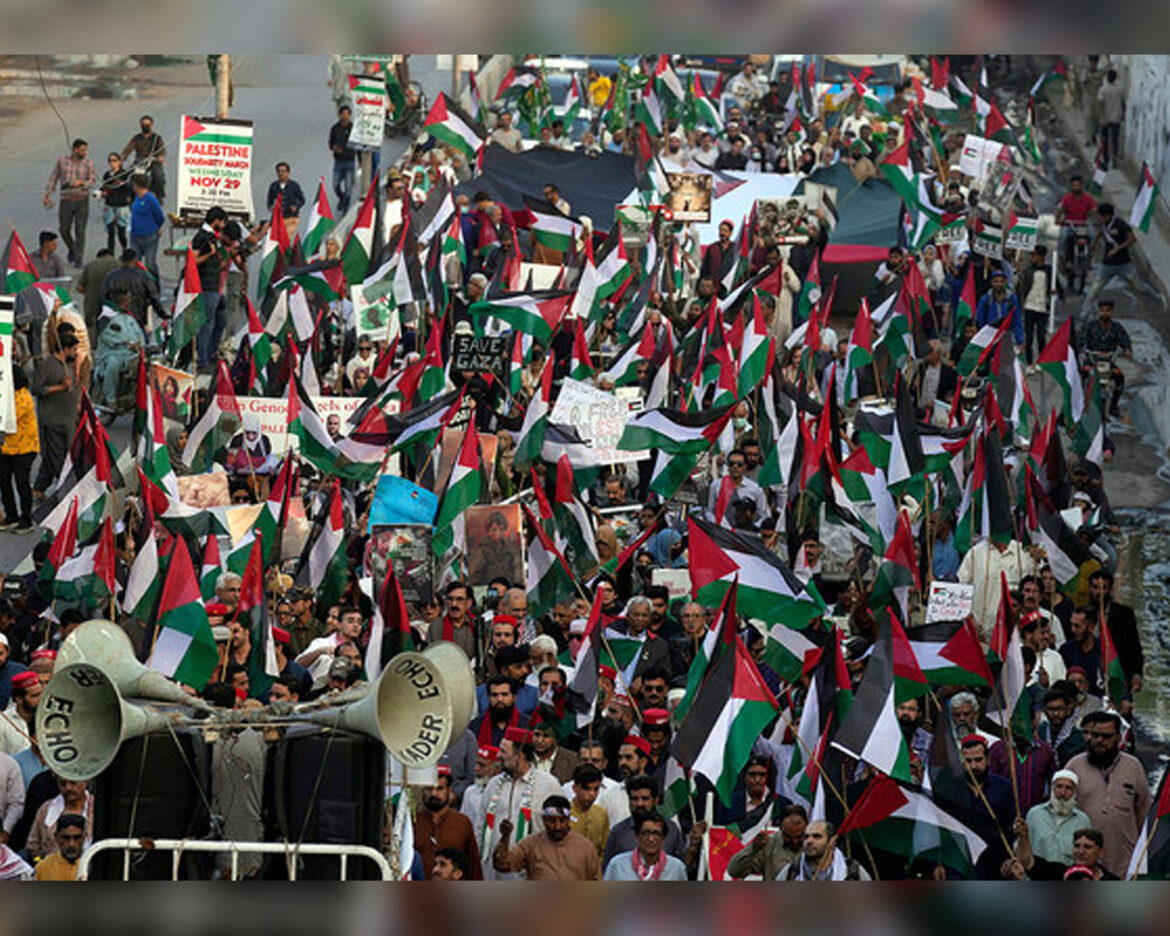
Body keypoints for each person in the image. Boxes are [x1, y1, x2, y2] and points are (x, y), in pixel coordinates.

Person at [1066, 710, 1150, 878]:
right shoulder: (1075, 765)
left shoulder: (1133, 766)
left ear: (1118, 738)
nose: (1099, 740)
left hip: (1123, 857)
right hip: (1083, 857)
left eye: (1106, 736)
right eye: (1095, 735)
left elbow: (1143, 811)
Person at [479, 731, 570, 880]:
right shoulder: (494, 784)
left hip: (532, 871)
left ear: (519, 755)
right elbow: (480, 825)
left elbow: (561, 829)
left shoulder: (548, 785)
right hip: (493, 873)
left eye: (503, 751)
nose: (498, 756)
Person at [492, 794, 600, 881]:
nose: (557, 826)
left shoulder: (586, 847)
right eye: (552, 821)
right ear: (544, 820)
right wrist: (505, 838)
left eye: (562, 821)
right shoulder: (531, 844)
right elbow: (502, 865)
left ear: (568, 820)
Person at [1083, 202, 1163, 313]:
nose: (1097, 218)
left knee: (1139, 287)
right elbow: (1102, 231)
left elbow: (1132, 239)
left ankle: (1158, 298)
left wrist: (1117, 249)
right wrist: (1095, 242)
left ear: (1106, 215)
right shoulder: (1104, 224)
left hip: (1124, 264)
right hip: (1107, 264)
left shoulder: (1120, 224)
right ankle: (1084, 313)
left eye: (1099, 215)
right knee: (1094, 291)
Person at [31, 332, 80, 500]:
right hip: (53, 422)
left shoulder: (66, 365)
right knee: (59, 459)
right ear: (65, 349)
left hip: (67, 420)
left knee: (53, 457)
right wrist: (60, 387)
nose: (76, 352)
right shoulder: (46, 366)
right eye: (74, 349)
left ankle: (39, 488)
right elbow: (36, 389)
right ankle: (65, 492)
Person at [414, 767, 482, 880]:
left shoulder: (462, 823)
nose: (434, 794)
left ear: (449, 790)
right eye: (429, 789)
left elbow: (474, 867)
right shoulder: (413, 822)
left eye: (439, 788)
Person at [43, 139, 96, 268]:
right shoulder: (62, 161)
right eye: (82, 150)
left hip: (82, 199)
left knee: (80, 230)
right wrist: (48, 194)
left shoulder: (88, 163)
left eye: (85, 150)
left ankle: (79, 257)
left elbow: (92, 180)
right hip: (66, 199)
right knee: (64, 229)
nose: (85, 152)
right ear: (75, 149)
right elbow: (54, 177)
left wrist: (81, 183)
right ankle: (72, 248)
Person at [1023, 769, 1092, 866]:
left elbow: (1089, 855)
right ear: (1052, 788)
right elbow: (1023, 848)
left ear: (1075, 792)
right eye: (1059, 787)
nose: (1062, 793)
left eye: (1068, 788)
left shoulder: (1082, 820)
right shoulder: (1034, 815)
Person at [0, 369, 39, 533]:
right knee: (4, 481)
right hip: (7, 447)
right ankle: (12, 516)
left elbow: (8, 419)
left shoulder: (22, 397)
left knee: (22, 484)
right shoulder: (6, 396)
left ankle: (27, 519)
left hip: (25, 448)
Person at [1009, 822, 1118, 881]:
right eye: (1077, 846)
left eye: (1087, 847)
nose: (1081, 851)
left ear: (1101, 852)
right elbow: (1027, 861)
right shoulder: (1060, 873)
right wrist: (1023, 836)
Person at [727, 803, 809, 881]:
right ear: (780, 828)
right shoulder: (768, 844)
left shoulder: (814, 844)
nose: (795, 841)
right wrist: (753, 849)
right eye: (789, 837)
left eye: (799, 836)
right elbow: (734, 871)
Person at [192, 206, 230, 370]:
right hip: (206, 287)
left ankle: (211, 353)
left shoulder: (213, 238)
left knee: (221, 321)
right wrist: (209, 254)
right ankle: (203, 360)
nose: (223, 225)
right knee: (206, 325)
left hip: (215, 288)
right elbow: (194, 260)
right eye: (222, 222)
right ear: (216, 221)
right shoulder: (202, 237)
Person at [1080, 299, 1132, 416]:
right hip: (1092, 361)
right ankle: (1080, 402)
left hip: (1109, 362)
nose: (1105, 313)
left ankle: (1113, 406)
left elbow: (1125, 340)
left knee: (1119, 379)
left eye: (1107, 311)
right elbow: (1081, 339)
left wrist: (1127, 350)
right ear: (1099, 311)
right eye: (1102, 311)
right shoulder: (1090, 326)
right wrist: (1078, 348)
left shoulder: (1117, 327)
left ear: (1111, 312)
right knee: (1081, 376)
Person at [92, 291, 144, 407]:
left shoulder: (129, 318)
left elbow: (139, 335)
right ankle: (110, 398)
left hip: (132, 353)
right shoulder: (106, 318)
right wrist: (127, 344)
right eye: (128, 298)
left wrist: (139, 344)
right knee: (113, 363)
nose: (130, 301)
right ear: (122, 300)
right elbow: (108, 338)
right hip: (112, 353)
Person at [603, 811, 688, 881]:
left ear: (663, 839)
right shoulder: (617, 865)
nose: (651, 839)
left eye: (656, 834)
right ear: (637, 837)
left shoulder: (676, 868)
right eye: (646, 833)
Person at [776, 819, 872, 881]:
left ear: (831, 841)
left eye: (816, 837)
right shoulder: (793, 871)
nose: (809, 841)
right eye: (806, 837)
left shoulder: (852, 871)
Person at [1018, 245, 1053, 367]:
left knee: (1041, 336)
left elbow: (1056, 285)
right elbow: (1021, 287)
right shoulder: (1027, 271)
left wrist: (1054, 292)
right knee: (1029, 337)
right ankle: (1029, 363)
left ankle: (1041, 361)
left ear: (1040, 257)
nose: (1031, 258)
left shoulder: (1049, 271)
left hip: (1042, 308)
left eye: (1033, 256)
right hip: (1029, 307)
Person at [128, 176, 166, 281]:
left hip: (149, 235)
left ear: (137, 186)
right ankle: (137, 284)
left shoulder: (150, 199)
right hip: (135, 235)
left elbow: (160, 216)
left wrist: (157, 227)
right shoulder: (136, 198)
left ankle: (155, 283)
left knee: (150, 263)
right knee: (135, 262)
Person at [121, 114, 167, 201]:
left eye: (147, 125)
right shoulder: (136, 138)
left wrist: (161, 157)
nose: (145, 126)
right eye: (143, 124)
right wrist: (123, 156)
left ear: (151, 125)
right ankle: (128, 196)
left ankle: (160, 194)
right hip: (139, 161)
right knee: (127, 175)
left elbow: (162, 149)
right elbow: (129, 148)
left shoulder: (157, 138)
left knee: (159, 176)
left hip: (153, 162)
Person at [33, 813, 87, 882]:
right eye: (65, 838)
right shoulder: (42, 868)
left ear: (84, 837)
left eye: (77, 838)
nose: (71, 844)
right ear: (56, 837)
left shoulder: (93, 865)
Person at [974, 270, 1024, 346]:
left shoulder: (1011, 299)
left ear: (1005, 282)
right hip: (990, 335)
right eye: (996, 281)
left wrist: (1019, 340)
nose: (999, 284)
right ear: (992, 282)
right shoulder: (986, 299)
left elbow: (1017, 320)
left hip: (1007, 334)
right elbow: (980, 320)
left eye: (1001, 281)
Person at [99, 152, 133, 254]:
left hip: (121, 206)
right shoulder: (107, 175)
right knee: (110, 232)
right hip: (109, 205)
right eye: (110, 161)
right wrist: (102, 193)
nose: (111, 163)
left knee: (121, 232)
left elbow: (129, 189)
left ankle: (124, 249)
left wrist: (121, 184)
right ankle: (111, 254)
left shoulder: (124, 174)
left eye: (114, 160)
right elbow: (104, 187)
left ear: (119, 162)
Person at [266, 162, 306, 242]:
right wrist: (271, 207)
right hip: (277, 218)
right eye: (279, 171)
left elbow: (302, 199)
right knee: (277, 240)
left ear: (288, 173)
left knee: (286, 239)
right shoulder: (273, 186)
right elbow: (269, 200)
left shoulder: (294, 185)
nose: (281, 173)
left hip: (290, 217)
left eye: (283, 171)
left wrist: (296, 207)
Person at [329, 105, 357, 215]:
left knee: (348, 187)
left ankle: (345, 207)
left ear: (349, 115)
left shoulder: (354, 128)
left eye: (347, 114)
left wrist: (360, 160)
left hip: (350, 161)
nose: (345, 116)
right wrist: (334, 148)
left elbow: (358, 145)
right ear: (340, 115)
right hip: (339, 161)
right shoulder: (335, 128)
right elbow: (330, 143)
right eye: (343, 114)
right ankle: (341, 198)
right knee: (335, 184)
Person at [1096, 69, 1125, 170]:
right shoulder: (1119, 89)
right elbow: (1123, 103)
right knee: (1115, 139)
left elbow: (1101, 103)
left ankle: (1106, 159)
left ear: (1107, 78)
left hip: (1106, 118)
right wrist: (1123, 115)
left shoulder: (1103, 89)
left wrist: (1102, 116)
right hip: (1116, 117)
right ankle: (1114, 158)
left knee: (1105, 139)